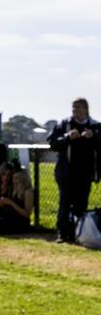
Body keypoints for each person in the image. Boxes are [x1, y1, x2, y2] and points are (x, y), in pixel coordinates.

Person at [48, 98, 101, 243]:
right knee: (64, 203)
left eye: (77, 108)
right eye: (73, 108)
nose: (74, 111)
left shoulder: (95, 126)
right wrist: (67, 138)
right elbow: (53, 143)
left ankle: (79, 233)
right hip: (66, 172)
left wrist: (94, 136)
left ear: (86, 109)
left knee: (81, 205)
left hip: (86, 173)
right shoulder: (64, 124)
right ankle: (62, 233)